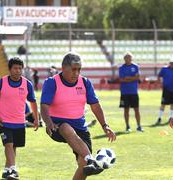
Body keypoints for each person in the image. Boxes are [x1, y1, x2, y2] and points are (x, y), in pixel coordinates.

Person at [40, 52, 116, 180]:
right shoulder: (52, 82)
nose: (76, 73)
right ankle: (91, 160)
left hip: (80, 129)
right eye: (74, 69)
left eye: (79, 69)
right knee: (66, 128)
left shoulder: (85, 82)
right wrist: (48, 122)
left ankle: (88, 161)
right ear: (64, 68)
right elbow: (44, 106)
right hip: (56, 127)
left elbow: (95, 106)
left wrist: (105, 126)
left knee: (84, 166)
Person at [0, 57, 39, 180]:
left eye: (20, 68)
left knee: (13, 147)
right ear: (9, 69)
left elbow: (33, 102)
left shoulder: (27, 84)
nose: (18, 71)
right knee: (9, 144)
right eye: (15, 68)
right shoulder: (0, 82)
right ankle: (13, 169)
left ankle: (6, 171)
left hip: (19, 122)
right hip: (4, 122)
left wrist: (37, 119)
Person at [119, 52, 143, 132]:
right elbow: (122, 79)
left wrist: (128, 78)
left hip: (134, 92)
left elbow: (138, 77)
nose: (128, 59)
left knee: (136, 109)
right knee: (126, 110)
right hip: (124, 92)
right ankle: (127, 126)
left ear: (131, 59)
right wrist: (133, 78)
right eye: (126, 58)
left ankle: (139, 126)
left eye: (129, 58)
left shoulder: (136, 67)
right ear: (124, 59)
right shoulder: (121, 67)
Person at [155, 57, 173, 125]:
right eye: (172, 63)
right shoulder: (164, 69)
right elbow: (159, 76)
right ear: (169, 63)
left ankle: (171, 117)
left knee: (172, 104)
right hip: (166, 89)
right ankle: (159, 117)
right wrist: (160, 83)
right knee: (163, 104)